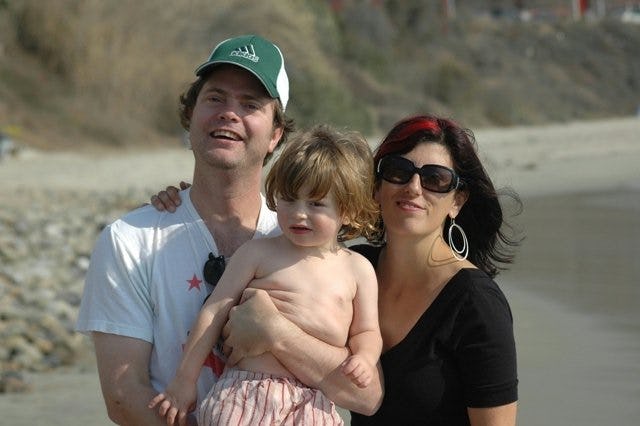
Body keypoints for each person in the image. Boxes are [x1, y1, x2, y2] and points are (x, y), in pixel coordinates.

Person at [152, 113, 521, 425]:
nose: (412, 187)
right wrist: (184, 199)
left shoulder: (475, 302)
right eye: (398, 170)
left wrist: (276, 331)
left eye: (435, 179)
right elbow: (289, 207)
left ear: (457, 200)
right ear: (373, 188)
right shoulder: (354, 263)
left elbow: (367, 394)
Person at [75, 34, 298, 425]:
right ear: (191, 114)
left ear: (276, 134)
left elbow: (357, 388)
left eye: (250, 104)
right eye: (215, 98)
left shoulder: (300, 243)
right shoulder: (130, 241)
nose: (229, 113)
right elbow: (125, 397)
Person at [149, 124, 382, 426]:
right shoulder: (258, 252)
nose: (299, 213)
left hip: (313, 402)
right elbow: (213, 312)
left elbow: (366, 331)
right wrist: (184, 381)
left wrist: (364, 357)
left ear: (347, 210)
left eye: (315, 204)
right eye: (289, 199)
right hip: (246, 393)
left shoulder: (358, 269)